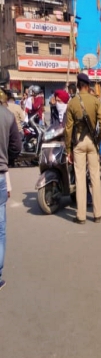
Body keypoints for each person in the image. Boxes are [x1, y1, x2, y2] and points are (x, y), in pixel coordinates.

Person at [64, 73, 101, 224]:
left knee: (80, 178)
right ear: (88, 86)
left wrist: (68, 149)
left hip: (78, 143)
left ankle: (81, 216)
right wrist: (99, 138)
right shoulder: (95, 101)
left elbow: (68, 129)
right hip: (92, 142)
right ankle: (97, 214)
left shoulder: (72, 103)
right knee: (95, 177)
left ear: (77, 85)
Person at [0, 95, 22, 291]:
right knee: (0, 229)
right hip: (0, 174)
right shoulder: (7, 115)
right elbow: (17, 146)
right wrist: (7, 160)